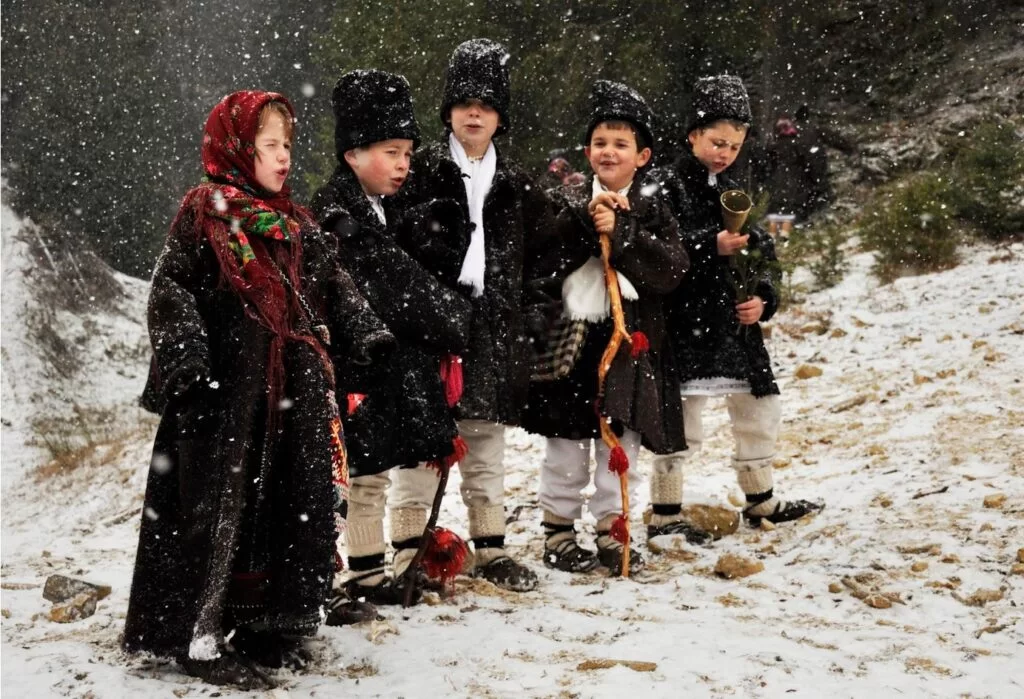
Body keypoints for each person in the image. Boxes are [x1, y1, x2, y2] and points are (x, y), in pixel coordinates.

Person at [124, 91, 393, 689]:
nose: (283, 158)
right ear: (238, 149)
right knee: (221, 514)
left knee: (286, 511)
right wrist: (188, 359)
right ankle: (200, 633)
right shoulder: (207, 214)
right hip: (224, 401)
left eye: (288, 145)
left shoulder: (294, 224)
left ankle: (271, 623)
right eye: (269, 145)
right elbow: (171, 292)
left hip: (290, 400)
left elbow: (334, 283)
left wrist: (366, 334)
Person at [390, 38, 559, 593]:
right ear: (448, 112)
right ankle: (406, 557)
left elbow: (545, 258)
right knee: (422, 446)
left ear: (500, 118)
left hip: (493, 331)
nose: (474, 113)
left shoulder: (518, 186)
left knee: (485, 447)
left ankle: (491, 551)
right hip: (431, 330)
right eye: (464, 103)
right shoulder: (417, 175)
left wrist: (533, 316)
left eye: (486, 105)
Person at [308, 69, 472, 607]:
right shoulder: (338, 215)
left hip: (394, 362)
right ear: (353, 153)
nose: (404, 163)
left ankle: (396, 563)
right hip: (361, 363)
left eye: (408, 151)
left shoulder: (392, 209)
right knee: (366, 471)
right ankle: (363, 573)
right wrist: (452, 319)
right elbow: (396, 285)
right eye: (391, 150)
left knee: (396, 462)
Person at [522, 80, 688, 575]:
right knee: (567, 444)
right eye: (600, 143)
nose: (608, 152)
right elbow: (543, 261)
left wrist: (625, 233)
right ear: (587, 150)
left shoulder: (654, 208)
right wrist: (584, 227)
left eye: (620, 144)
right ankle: (557, 529)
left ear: (642, 156)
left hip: (628, 341)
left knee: (622, 443)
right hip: (574, 341)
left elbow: (672, 270)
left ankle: (614, 529)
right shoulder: (565, 199)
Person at [650, 75, 822, 546]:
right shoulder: (664, 187)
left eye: (735, 144)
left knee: (757, 408)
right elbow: (655, 252)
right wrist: (710, 244)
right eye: (716, 141)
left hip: (736, 327)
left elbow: (765, 256)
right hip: (687, 325)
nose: (725, 152)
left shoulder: (734, 188)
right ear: (693, 136)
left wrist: (764, 299)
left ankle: (760, 499)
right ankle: (666, 512)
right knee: (681, 418)